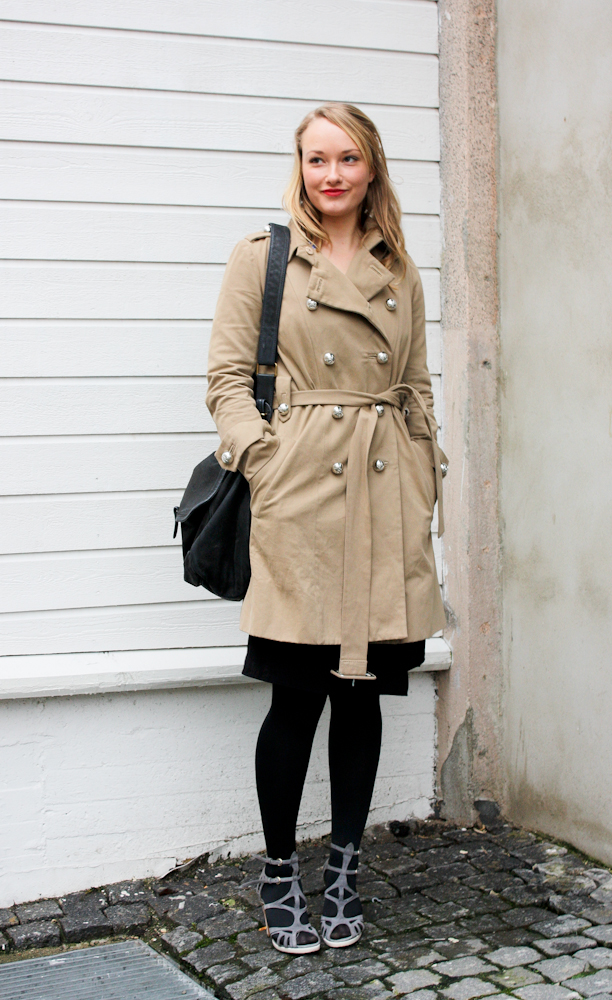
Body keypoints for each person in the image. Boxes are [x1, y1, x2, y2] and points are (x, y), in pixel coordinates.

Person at [206, 103, 447, 955]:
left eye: (347, 158)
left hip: (384, 498)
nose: (332, 175)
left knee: (362, 696)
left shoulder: (399, 267)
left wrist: (424, 475)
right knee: (295, 696)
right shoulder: (264, 257)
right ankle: (280, 873)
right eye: (317, 160)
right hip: (301, 497)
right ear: (300, 168)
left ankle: (344, 867)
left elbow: (416, 384)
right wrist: (264, 462)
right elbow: (226, 379)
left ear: (372, 167)